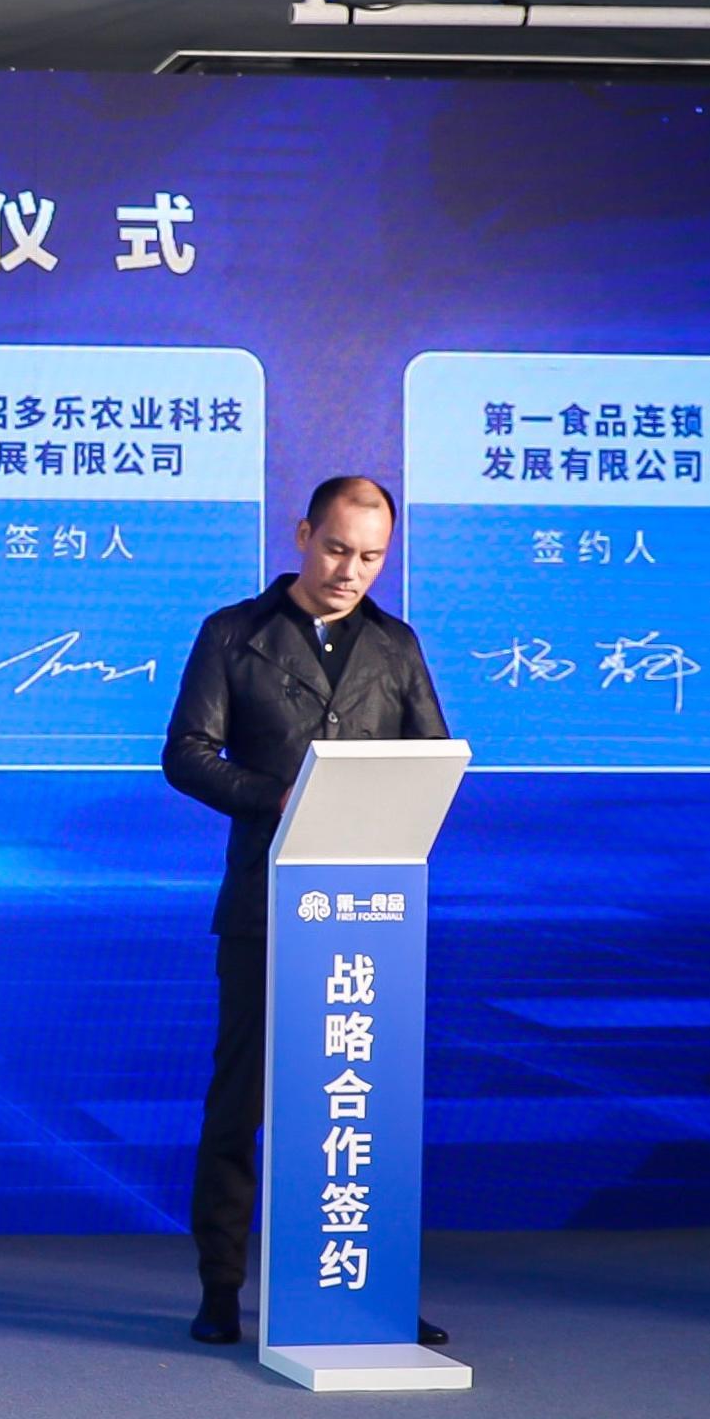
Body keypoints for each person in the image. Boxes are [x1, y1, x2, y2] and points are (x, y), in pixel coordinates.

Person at [161, 474, 451, 1350]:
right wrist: (279, 796)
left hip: (370, 911)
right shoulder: (233, 633)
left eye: (371, 556)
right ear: (302, 535)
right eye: (336, 549)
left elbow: (434, 756)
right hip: (266, 904)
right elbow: (186, 753)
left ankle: (373, 1288)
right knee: (240, 1100)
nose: (350, 570)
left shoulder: (395, 644)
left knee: (365, 1105)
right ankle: (221, 1286)